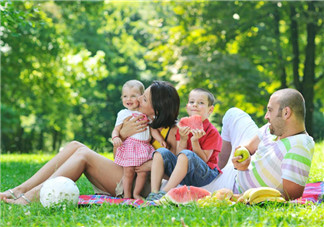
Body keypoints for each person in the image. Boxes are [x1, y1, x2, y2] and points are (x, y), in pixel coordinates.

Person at [0, 81, 180, 205]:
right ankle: (20, 189)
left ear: (157, 107)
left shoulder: (172, 130)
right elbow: (119, 159)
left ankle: (29, 197)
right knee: (75, 145)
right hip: (126, 173)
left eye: (144, 98)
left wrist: (151, 164)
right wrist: (122, 136)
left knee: (84, 155)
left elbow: (180, 171)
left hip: (143, 186)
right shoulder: (138, 121)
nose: (138, 99)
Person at [202, 88, 315, 200]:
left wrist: (238, 197)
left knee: (187, 186)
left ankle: (215, 177)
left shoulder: (298, 146)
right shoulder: (276, 128)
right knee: (232, 113)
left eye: (270, 110)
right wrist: (242, 159)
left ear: (286, 113)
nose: (266, 116)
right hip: (237, 170)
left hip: (233, 185)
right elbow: (248, 148)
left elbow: (290, 196)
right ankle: (216, 169)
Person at [146, 88, 222, 201]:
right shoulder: (182, 127)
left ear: (210, 110)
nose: (195, 105)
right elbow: (178, 155)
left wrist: (195, 142)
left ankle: (164, 193)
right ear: (187, 107)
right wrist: (183, 139)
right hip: (184, 173)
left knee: (186, 153)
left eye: (201, 103)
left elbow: (204, 160)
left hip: (204, 175)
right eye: (192, 102)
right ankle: (154, 193)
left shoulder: (212, 132)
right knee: (160, 152)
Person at [112, 80, 166, 199]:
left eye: (133, 96)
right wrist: (116, 137)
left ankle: (136, 193)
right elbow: (116, 129)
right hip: (130, 147)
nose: (128, 99)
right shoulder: (123, 113)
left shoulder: (144, 113)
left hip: (144, 147)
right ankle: (127, 195)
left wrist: (160, 139)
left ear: (141, 97)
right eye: (125, 96)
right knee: (129, 172)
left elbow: (152, 129)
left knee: (143, 172)